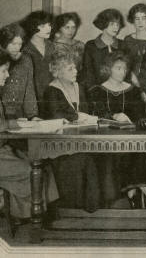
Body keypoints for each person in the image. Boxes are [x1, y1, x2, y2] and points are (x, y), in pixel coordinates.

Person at [0, 48, 58, 220]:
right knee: (31, 172)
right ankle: (26, 214)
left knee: (41, 166)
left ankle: (17, 206)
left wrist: (24, 124)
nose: (7, 75)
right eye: (4, 70)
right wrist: (10, 124)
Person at [88, 51, 146, 209]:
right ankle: (133, 191)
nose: (122, 72)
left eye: (125, 69)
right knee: (115, 154)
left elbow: (141, 116)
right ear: (108, 69)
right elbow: (95, 116)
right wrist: (113, 116)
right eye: (118, 68)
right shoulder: (97, 91)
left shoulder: (133, 90)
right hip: (106, 140)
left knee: (140, 149)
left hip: (132, 136)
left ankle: (136, 190)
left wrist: (136, 121)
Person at [41, 54, 101, 212]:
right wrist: (79, 117)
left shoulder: (79, 87)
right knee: (80, 161)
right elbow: (55, 115)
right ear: (57, 72)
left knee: (94, 157)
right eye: (70, 68)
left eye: (75, 67)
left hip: (81, 139)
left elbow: (88, 111)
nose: (75, 71)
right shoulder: (51, 90)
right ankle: (71, 211)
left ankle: (90, 211)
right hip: (59, 143)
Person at [0, 22, 38, 120]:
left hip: (20, 115)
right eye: (13, 44)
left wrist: (33, 115)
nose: (17, 47)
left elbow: (29, 89)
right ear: (4, 43)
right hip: (0, 113)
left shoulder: (26, 60)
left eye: (20, 44)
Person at [80, 8, 126, 91]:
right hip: (98, 91)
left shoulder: (122, 45)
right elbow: (88, 73)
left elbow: (126, 71)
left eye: (118, 24)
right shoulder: (91, 46)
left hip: (120, 91)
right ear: (103, 24)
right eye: (112, 24)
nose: (116, 27)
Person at [20, 11, 55, 109]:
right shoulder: (25, 49)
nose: (49, 28)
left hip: (52, 95)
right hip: (32, 97)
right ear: (33, 26)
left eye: (49, 25)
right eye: (43, 26)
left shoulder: (51, 46)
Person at [123, 3, 146, 96]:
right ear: (132, 20)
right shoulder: (128, 40)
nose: (140, 22)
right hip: (132, 83)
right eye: (137, 19)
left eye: (143, 18)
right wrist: (135, 81)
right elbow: (125, 63)